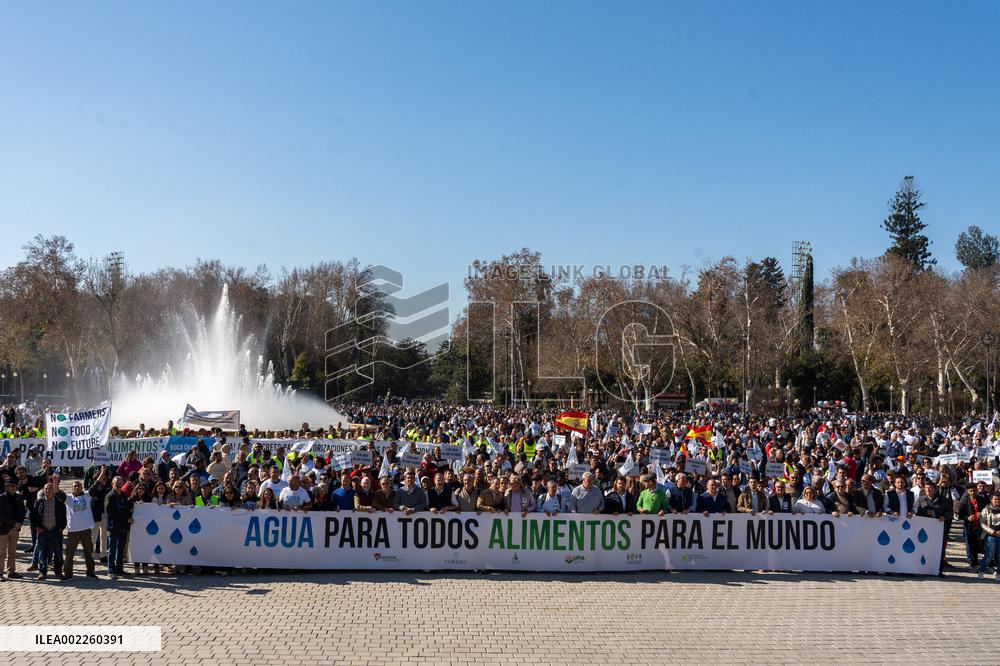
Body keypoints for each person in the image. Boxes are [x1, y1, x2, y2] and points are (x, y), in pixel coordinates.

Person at [30, 482, 66, 581]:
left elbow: (64, 516)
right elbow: (32, 516)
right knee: (42, 553)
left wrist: (61, 528)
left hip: (55, 531)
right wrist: (36, 527)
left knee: (58, 552)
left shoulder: (59, 502)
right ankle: (42, 572)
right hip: (43, 531)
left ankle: (58, 572)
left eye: (50, 488)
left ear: (53, 490)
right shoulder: (39, 502)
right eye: (46, 489)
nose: (48, 490)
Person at [916, 479, 952, 576]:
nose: (929, 490)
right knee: (923, 548)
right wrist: (924, 512)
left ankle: (938, 570)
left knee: (939, 550)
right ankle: (921, 569)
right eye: (927, 488)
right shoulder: (921, 499)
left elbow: (950, 512)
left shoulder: (943, 500)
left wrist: (944, 516)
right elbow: (917, 513)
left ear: (935, 489)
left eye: (931, 488)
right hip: (924, 529)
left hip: (938, 529)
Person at [63, 480, 97, 580]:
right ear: (71, 488)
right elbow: (57, 493)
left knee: (88, 552)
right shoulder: (68, 498)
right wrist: (55, 481)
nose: (76, 487)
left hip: (86, 530)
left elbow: (96, 484)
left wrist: (103, 472)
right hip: (73, 531)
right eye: (74, 486)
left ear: (82, 487)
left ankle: (90, 573)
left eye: (78, 485)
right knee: (69, 553)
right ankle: (68, 574)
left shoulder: (87, 495)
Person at [105, 476, 133, 579]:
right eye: (117, 483)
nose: (119, 485)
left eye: (121, 483)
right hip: (113, 527)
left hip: (123, 527)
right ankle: (111, 571)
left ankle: (119, 569)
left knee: (121, 549)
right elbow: (110, 513)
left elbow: (127, 508)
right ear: (112, 484)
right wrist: (125, 519)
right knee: (112, 550)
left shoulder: (123, 495)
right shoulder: (109, 496)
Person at [0, 477, 26, 580]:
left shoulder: (19, 497)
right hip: (3, 529)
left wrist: (19, 523)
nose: (12, 488)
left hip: (15, 529)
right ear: (6, 487)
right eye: (10, 486)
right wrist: (14, 523)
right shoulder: (1, 498)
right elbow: (1, 515)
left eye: (14, 486)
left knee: (12, 552)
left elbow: (22, 511)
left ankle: (11, 571)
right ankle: (0, 573)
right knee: (1, 552)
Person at [977, 492, 1000, 581]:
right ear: (991, 500)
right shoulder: (986, 509)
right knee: (988, 556)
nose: (997, 501)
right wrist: (993, 532)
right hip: (991, 536)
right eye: (995, 499)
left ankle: (998, 574)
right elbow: (982, 523)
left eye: (998, 499)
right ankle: (981, 571)